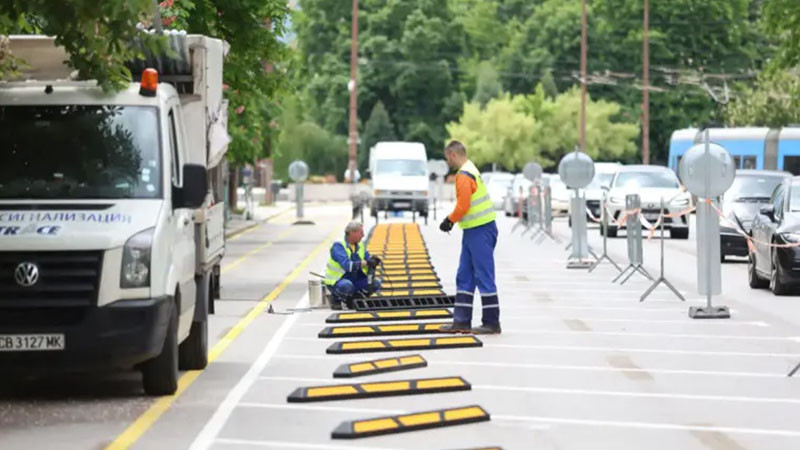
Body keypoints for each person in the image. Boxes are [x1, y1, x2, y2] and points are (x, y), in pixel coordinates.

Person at [438, 140, 501, 334]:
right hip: (473, 231)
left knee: (484, 275)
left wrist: (449, 220)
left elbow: (463, 205)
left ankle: (491, 322)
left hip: (480, 230)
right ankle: (461, 321)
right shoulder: (470, 168)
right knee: (464, 275)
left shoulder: (464, 175)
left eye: (448, 157)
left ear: (453, 155)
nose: (447, 161)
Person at [324, 221, 382, 310]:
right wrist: (364, 263)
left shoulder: (360, 245)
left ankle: (355, 297)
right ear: (352, 233)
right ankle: (336, 298)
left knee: (375, 283)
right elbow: (347, 265)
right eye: (361, 233)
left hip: (355, 279)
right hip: (338, 280)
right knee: (347, 286)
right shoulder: (339, 246)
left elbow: (367, 257)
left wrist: (373, 260)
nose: (363, 235)